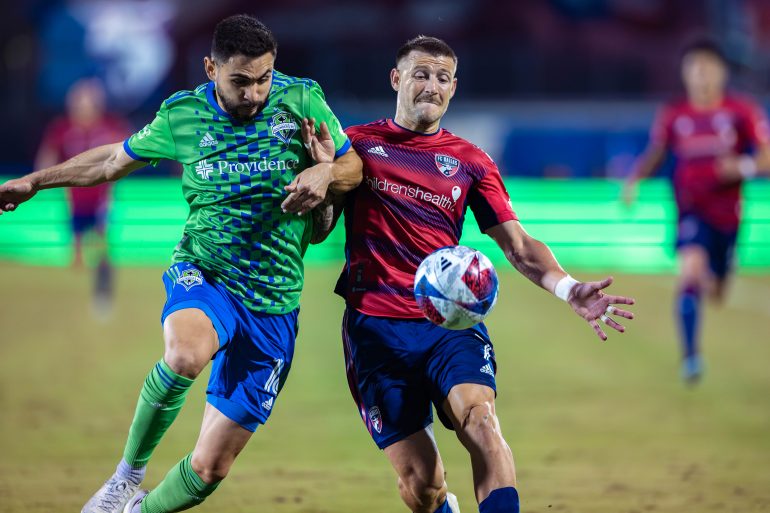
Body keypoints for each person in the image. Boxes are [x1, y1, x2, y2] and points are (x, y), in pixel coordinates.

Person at [0, 14, 361, 513]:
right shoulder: (182, 115)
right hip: (206, 272)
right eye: (240, 81)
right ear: (211, 68)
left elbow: (354, 165)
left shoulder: (301, 99)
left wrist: (325, 169)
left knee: (210, 468)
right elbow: (110, 161)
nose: (254, 94)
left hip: (276, 301)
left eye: (263, 79)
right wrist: (36, 182)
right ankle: (124, 479)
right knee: (187, 354)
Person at [306, 36, 635, 513]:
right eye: (421, 74)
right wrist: (323, 173)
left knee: (481, 422)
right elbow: (319, 233)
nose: (431, 85)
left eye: (442, 78)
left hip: (449, 325)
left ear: (453, 88)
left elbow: (518, 246)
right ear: (397, 79)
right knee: (423, 485)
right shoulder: (356, 146)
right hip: (375, 331)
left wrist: (568, 288)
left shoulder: (470, 161)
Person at [623, 39, 770, 383]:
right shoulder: (675, 114)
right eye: (694, 68)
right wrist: (634, 180)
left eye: (706, 68)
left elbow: (765, 155)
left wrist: (742, 166)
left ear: (720, 72)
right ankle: (690, 358)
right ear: (685, 74)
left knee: (716, 290)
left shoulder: (741, 110)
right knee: (690, 271)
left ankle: (716, 277)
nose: (700, 75)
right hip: (691, 210)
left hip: (728, 215)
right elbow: (657, 152)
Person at [35, 78, 132, 315]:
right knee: (76, 256)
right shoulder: (63, 128)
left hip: (102, 201)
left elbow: (131, 150)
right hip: (74, 202)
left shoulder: (110, 126)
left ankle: (102, 296)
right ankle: (70, 306)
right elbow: (46, 156)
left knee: (101, 249)